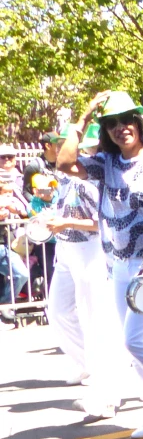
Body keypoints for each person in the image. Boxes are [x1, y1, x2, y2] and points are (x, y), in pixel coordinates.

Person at [57, 90, 143, 439]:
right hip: (120, 265)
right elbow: (64, 164)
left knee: (135, 338)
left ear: (139, 122)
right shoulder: (106, 163)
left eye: (127, 119)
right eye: (112, 123)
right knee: (137, 342)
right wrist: (83, 118)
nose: (121, 128)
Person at [44, 124, 122, 400]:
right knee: (57, 311)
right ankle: (86, 364)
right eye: (58, 144)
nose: (59, 148)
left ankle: (108, 381)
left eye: (65, 143)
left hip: (91, 248)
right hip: (66, 247)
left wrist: (67, 221)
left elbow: (99, 223)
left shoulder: (97, 175)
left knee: (95, 318)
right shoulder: (64, 177)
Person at [0, 181, 29, 323]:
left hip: (3, 247)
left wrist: (13, 208)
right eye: (4, 192)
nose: (7, 195)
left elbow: (22, 210)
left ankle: (5, 304)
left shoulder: (8, 202)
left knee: (22, 274)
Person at [23, 133, 59, 201]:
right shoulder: (34, 166)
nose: (61, 147)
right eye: (58, 145)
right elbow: (26, 192)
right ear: (48, 146)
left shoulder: (64, 165)